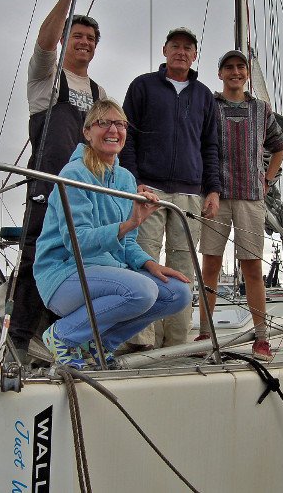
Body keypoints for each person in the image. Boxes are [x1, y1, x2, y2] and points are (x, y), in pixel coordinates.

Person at [34, 99, 192, 368]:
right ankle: (62, 336)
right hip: (64, 275)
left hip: (109, 275)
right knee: (141, 291)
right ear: (87, 132)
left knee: (178, 293)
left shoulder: (125, 180)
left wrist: (151, 264)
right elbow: (78, 243)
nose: (113, 130)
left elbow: (127, 244)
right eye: (103, 123)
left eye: (120, 124)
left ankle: (100, 343)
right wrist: (129, 224)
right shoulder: (73, 174)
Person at [9, 0, 107, 362]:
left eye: (90, 38)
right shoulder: (46, 77)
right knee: (37, 253)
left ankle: (58, 336)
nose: (83, 42)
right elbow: (45, 42)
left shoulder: (100, 92)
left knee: (77, 259)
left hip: (84, 190)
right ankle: (18, 337)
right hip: (48, 183)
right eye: (77, 35)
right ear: (67, 39)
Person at [119, 27, 221, 349]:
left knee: (183, 269)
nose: (181, 51)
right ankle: (142, 339)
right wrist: (133, 179)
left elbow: (211, 146)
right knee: (146, 260)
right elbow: (127, 136)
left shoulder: (204, 96)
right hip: (149, 189)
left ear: (195, 55)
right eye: (175, 46)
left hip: (191, 193)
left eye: (187, 47)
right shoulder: (143, 86)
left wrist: (213, 189)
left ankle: (176, 342)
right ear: (164, 50)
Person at [196, 50, 283, 361]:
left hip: (251, 196)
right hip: (216, 195)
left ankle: (261, 338)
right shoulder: (209, 103)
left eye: (240, 67)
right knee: (209, 265)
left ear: (247, 73)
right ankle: (205, 333)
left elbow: (279, 147)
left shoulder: (262, 110)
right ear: (220, 73)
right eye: (229, 67)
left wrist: (268, 178)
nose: (235, 72)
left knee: (252, 268)